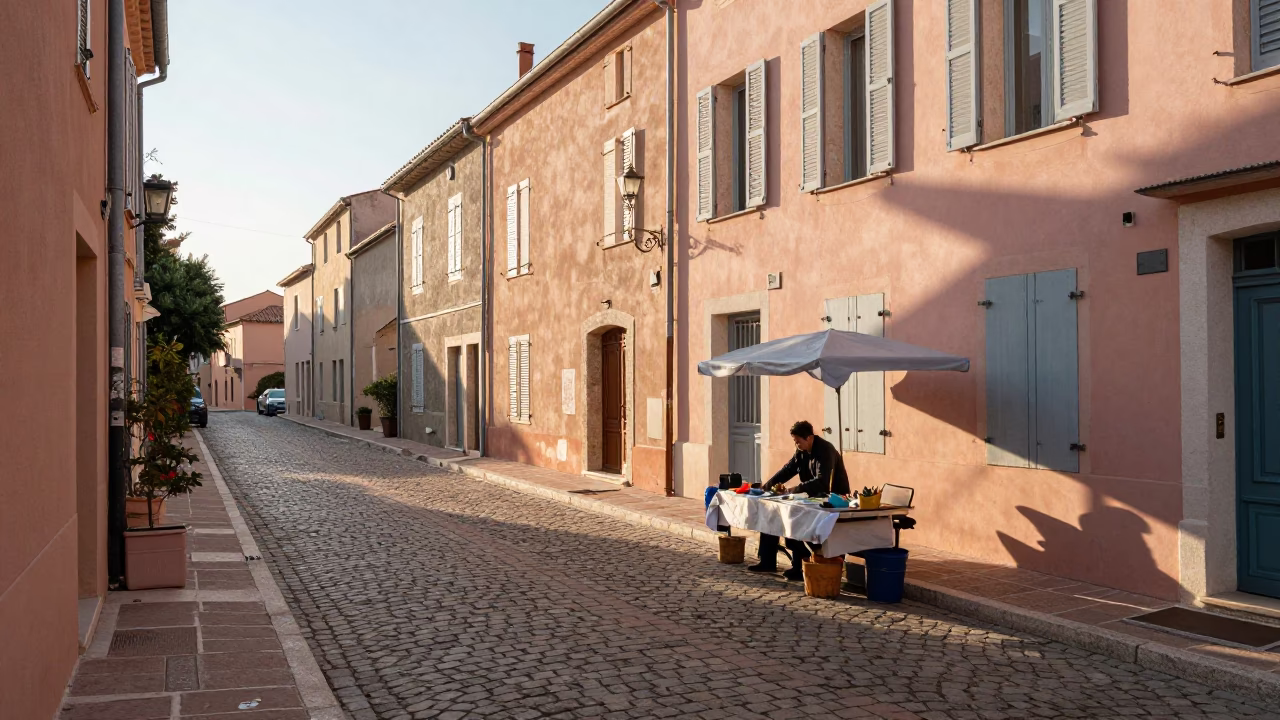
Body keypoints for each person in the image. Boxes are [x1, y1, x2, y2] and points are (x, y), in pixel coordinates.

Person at [747, 420, 851, 581]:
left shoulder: (825, 451)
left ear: (809, 438)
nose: (797, 445)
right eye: (795, 441)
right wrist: (766, 487)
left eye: (798, 441)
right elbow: (787, 470)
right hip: (809, 497)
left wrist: (794, 489)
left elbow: (822, 482)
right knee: (772, 510)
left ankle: (800, 564)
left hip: (832, 500)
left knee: (793, 521)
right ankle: (767, 560)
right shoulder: (800, 451)